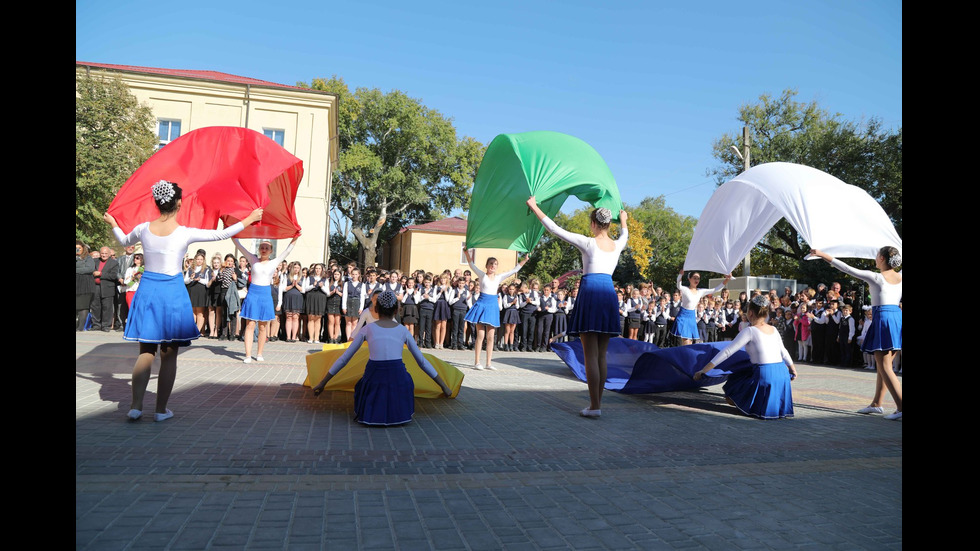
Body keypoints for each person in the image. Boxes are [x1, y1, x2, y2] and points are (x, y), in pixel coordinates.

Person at [104, 180, 263, 422]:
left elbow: (124, 240)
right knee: (169, 353)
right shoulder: (185, 232)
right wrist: (249, 220)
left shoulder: (143, 228)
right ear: (179, 203)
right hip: (172, 292)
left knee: (146, 350)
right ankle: (160, 410)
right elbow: (220, 233)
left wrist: (114, 224)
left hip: (147, 290)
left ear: (157, 203)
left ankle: (135, 406)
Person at [526, 196, 628, 418]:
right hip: (608, 293)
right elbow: (625, 234)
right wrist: (624, 220)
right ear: (608, 224)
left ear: (593, 224)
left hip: (591, 291)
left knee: (590, 354)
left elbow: (555, 229)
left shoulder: (589, 243)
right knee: (601, 355)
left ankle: (594, 406)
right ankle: (597, 404)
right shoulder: (617, 244)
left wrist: (534, 207)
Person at [311, 290, 452, 425]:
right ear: (396, 310)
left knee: (363, 384)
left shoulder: (367, 329)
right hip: (398, 380)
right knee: (406, 380)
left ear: (376, 309)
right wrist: (444, 387)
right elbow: (422, 362)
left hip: (374, 379)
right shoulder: (403, 330)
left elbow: (344, 359)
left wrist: (323, 383)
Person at [811, 247, 902, 420]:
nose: (875, 259)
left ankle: (900, 406)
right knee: (884, 366)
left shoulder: (877, 277)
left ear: (882, 258)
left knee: (884, 366)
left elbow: (847, 268)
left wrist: (822, 255)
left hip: (883, 318)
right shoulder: (900, 277)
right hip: (897, 318)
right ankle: (877, 403)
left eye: (877, 256)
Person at [694, 295, 798, 419]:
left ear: (750, 313)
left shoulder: (750, 331)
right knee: (744, 374)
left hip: (766, 374)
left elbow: (727, 352)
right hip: (783, 375)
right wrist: (793, 370)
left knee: (732, 391)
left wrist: (704, 370)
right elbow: (784, 352)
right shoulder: (774, 329)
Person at [233, 235, 299, 362]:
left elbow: (288, 250)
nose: (264, 249)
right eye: (262, 247)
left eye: (266, 248)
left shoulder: (274, 262)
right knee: (250, 324)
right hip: (253, 293)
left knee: (263, 326)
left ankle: (259, 353)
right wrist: (233, 233)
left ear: (271, 251)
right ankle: (247, 355)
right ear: (259, 249)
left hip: (265, 294)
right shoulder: (252, 259)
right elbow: (239, 246)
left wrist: (296, 236)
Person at [463, 243, 529, 370]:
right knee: (480, 335)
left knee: (491, 336)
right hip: (482, 304)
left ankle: (488, 363)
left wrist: (525, 260)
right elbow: (471, 265)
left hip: (492, 305)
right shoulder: (482, 275)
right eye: (491, 264)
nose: (493, 266)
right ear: (487, 266)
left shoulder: (499, 277)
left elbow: (514, 270)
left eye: (495, 264)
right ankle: (477, 362)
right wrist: (466, 253)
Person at [672, 270, 732, 345]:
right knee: (686, 340)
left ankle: (685, 355)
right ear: (689, 279)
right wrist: (680, 275)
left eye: (698, 278)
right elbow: (678, 285)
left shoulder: (700, 291)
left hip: (691, 316)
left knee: (690, 341)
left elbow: (715, 289)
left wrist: (727, 279)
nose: (697, 280)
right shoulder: (685, 289)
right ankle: (685, 355)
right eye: (694, 278)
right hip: (683, 316)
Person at [76, 240, 96, 331]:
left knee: (82, 306)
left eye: (79, 248)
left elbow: (90, 269)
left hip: (85, 284)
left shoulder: (88, 258)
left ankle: (80, 327)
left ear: (83, 248)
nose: (77, 249)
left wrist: (77, 270)